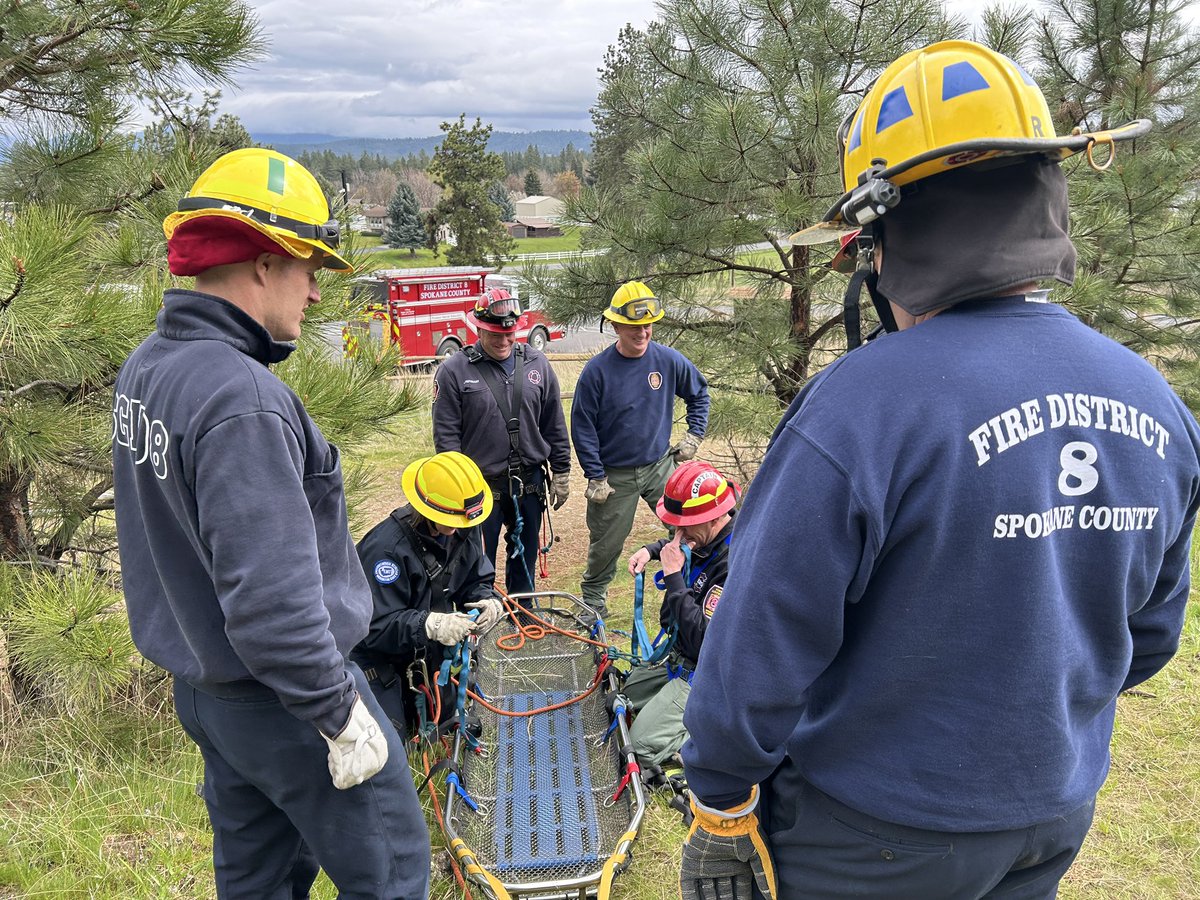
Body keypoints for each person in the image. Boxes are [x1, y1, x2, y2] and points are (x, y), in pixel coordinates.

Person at [677, 40, 1200, 900]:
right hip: (1050, 814)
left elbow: (759, 647)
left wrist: (721, 800)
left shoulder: (859, 409)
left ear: (887, 232)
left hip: (877, 836)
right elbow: (1148, 641)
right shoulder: (1154, 401)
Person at [111, 147, 430, 899]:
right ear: (263, 262)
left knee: (259, 880)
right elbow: (273, 604)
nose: (316, 295)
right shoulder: (240, 398)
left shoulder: (150, 366)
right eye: (310, 270)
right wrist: (339, 715)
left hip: (208, 690)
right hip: (288, 698)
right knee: (392, 872)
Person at [571, 281, 710, 619]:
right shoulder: (597, 372)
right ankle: (593, 606)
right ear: (616, 325)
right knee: (606, 544)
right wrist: (595, 475)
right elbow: (582, 426)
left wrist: (693, 435)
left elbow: (699, 393)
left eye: (648, 324)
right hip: (613, 476)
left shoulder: (667, 361)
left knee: (689, 529)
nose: (643, 332)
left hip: (659, 465)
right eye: (634, 326)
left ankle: (697, 587)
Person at [350, 451, 505, 739]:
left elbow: (475, 576)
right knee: (390, 742)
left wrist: (487, 599)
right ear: (429, 510)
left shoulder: (462, 522)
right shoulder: (387, 552)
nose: (459, 529)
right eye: (452, 521)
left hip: (428, 653)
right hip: (381, 657)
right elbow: (372, 628)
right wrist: (428, 625)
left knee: (439, 727)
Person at [432, 288, 571, 596]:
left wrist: (562, 471)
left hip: (530, 483)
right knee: (475, 561)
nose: (504, 341)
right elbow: (446, 437)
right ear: (478, 328)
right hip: (479, 486)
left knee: (525, 557)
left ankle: (522, 615)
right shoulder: (453, 371)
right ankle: (480, 620)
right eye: (495, 334)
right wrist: (457, 488)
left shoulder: (537, 364)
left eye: (510, 334)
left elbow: (554, 423)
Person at [623, 461, 737, 769]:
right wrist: (654, 549)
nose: (677, 533)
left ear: (714, 518)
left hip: (710, 674)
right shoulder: (710, 536)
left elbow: (705, 640)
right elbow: (691, 546)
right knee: (628, 693)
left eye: (684, 526)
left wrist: (674, 578)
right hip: (681, 658)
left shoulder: (735, 564)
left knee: (641, 747)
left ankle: (714, 730)